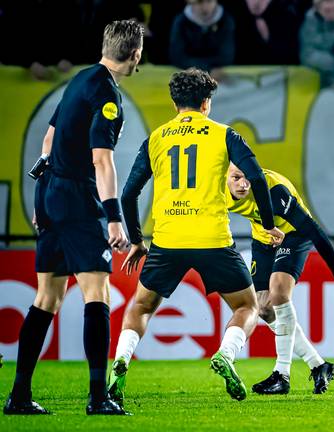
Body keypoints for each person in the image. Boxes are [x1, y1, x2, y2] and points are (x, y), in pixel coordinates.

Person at [108, 68, 285, 406]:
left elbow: (129, 194)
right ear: (206, 103)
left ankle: (120, 363)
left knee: (141, 308)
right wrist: (267, 221)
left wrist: (136, 240)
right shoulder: (223, 134)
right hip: (212, 239)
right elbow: (257, 179)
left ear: (175, 102)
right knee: (247, 305)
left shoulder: (157, 137)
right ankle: (226, 355)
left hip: (168, 239)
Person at [3, 20, 143, 416]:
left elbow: (48, 141)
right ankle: (99, 397)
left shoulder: (81, 78)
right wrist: (114, 219)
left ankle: (18, 395)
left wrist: (41, 196)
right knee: (98, 294)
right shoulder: (107, 94)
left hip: (50, 193)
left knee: (46, 297)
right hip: (79, 199)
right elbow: (102, 160)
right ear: (134, 55)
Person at [226, 165, 334, 395]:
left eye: (248, 178)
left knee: (278, 292)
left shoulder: (274, 192)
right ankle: (318, 365)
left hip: (293, 234)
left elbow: (313, 229)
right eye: (236, 178)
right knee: (263, 308)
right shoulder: (215, 189)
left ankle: (282, 375)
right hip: (262, 238)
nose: (243, 184)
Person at [169, 0, 236, 71]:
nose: (205, 7)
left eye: (209, 1)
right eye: (199, 2)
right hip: (189, 73)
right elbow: (177, 56)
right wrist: (207, 69)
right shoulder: (180, 22)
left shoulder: (226, 21)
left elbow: (226, 56)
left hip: (218, 75)